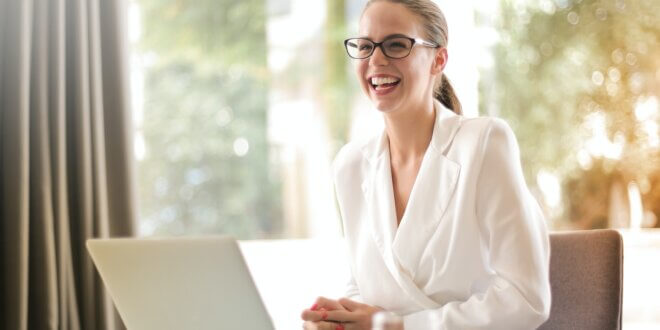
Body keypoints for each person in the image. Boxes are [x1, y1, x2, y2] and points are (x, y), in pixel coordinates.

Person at [300, 0, 551, 329]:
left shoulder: (484, 143)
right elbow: (364, 285)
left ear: (439, 59)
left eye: (396, 45)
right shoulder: (351, 165)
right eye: (365, 46)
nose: (376, 59)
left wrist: (399, 327)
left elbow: (526, 299)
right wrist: (338, 320)